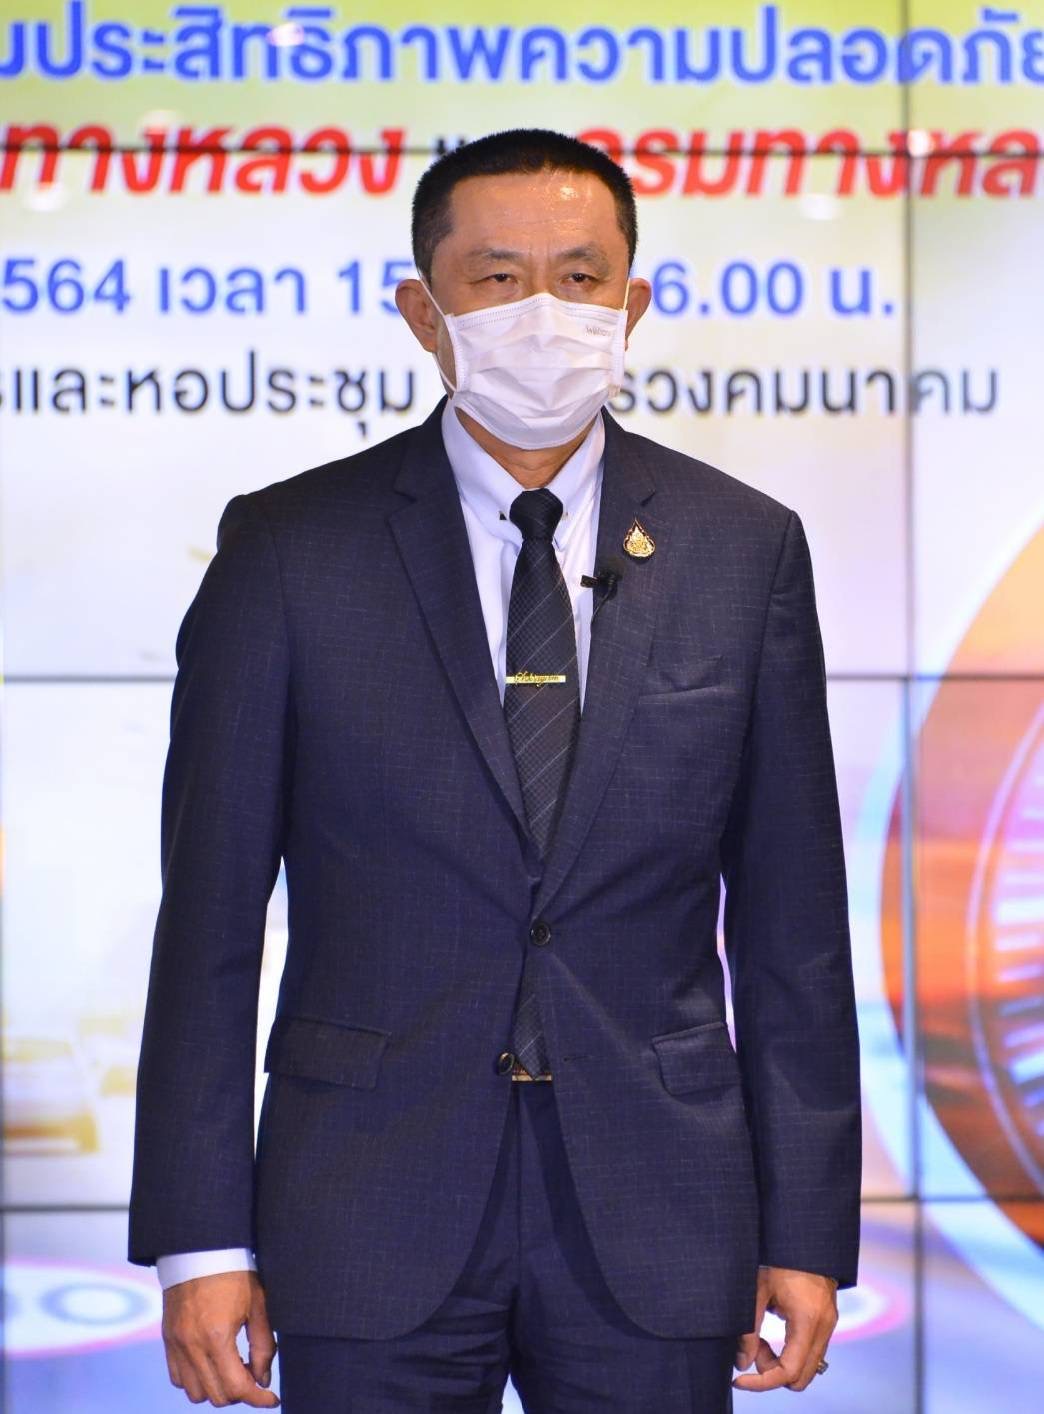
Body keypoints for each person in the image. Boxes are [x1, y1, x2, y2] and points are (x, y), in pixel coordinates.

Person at [128, 128, 861, 1411]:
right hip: (363, 1198)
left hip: (660, 1201)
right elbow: (208, 921)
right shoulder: (290, 548)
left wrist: (807, 1226)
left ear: (633, 302)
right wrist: (200, 1239)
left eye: (581, 278)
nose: (544, 313)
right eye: (499, 277)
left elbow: (795, 925)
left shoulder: (744, 549)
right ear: (426, 312)